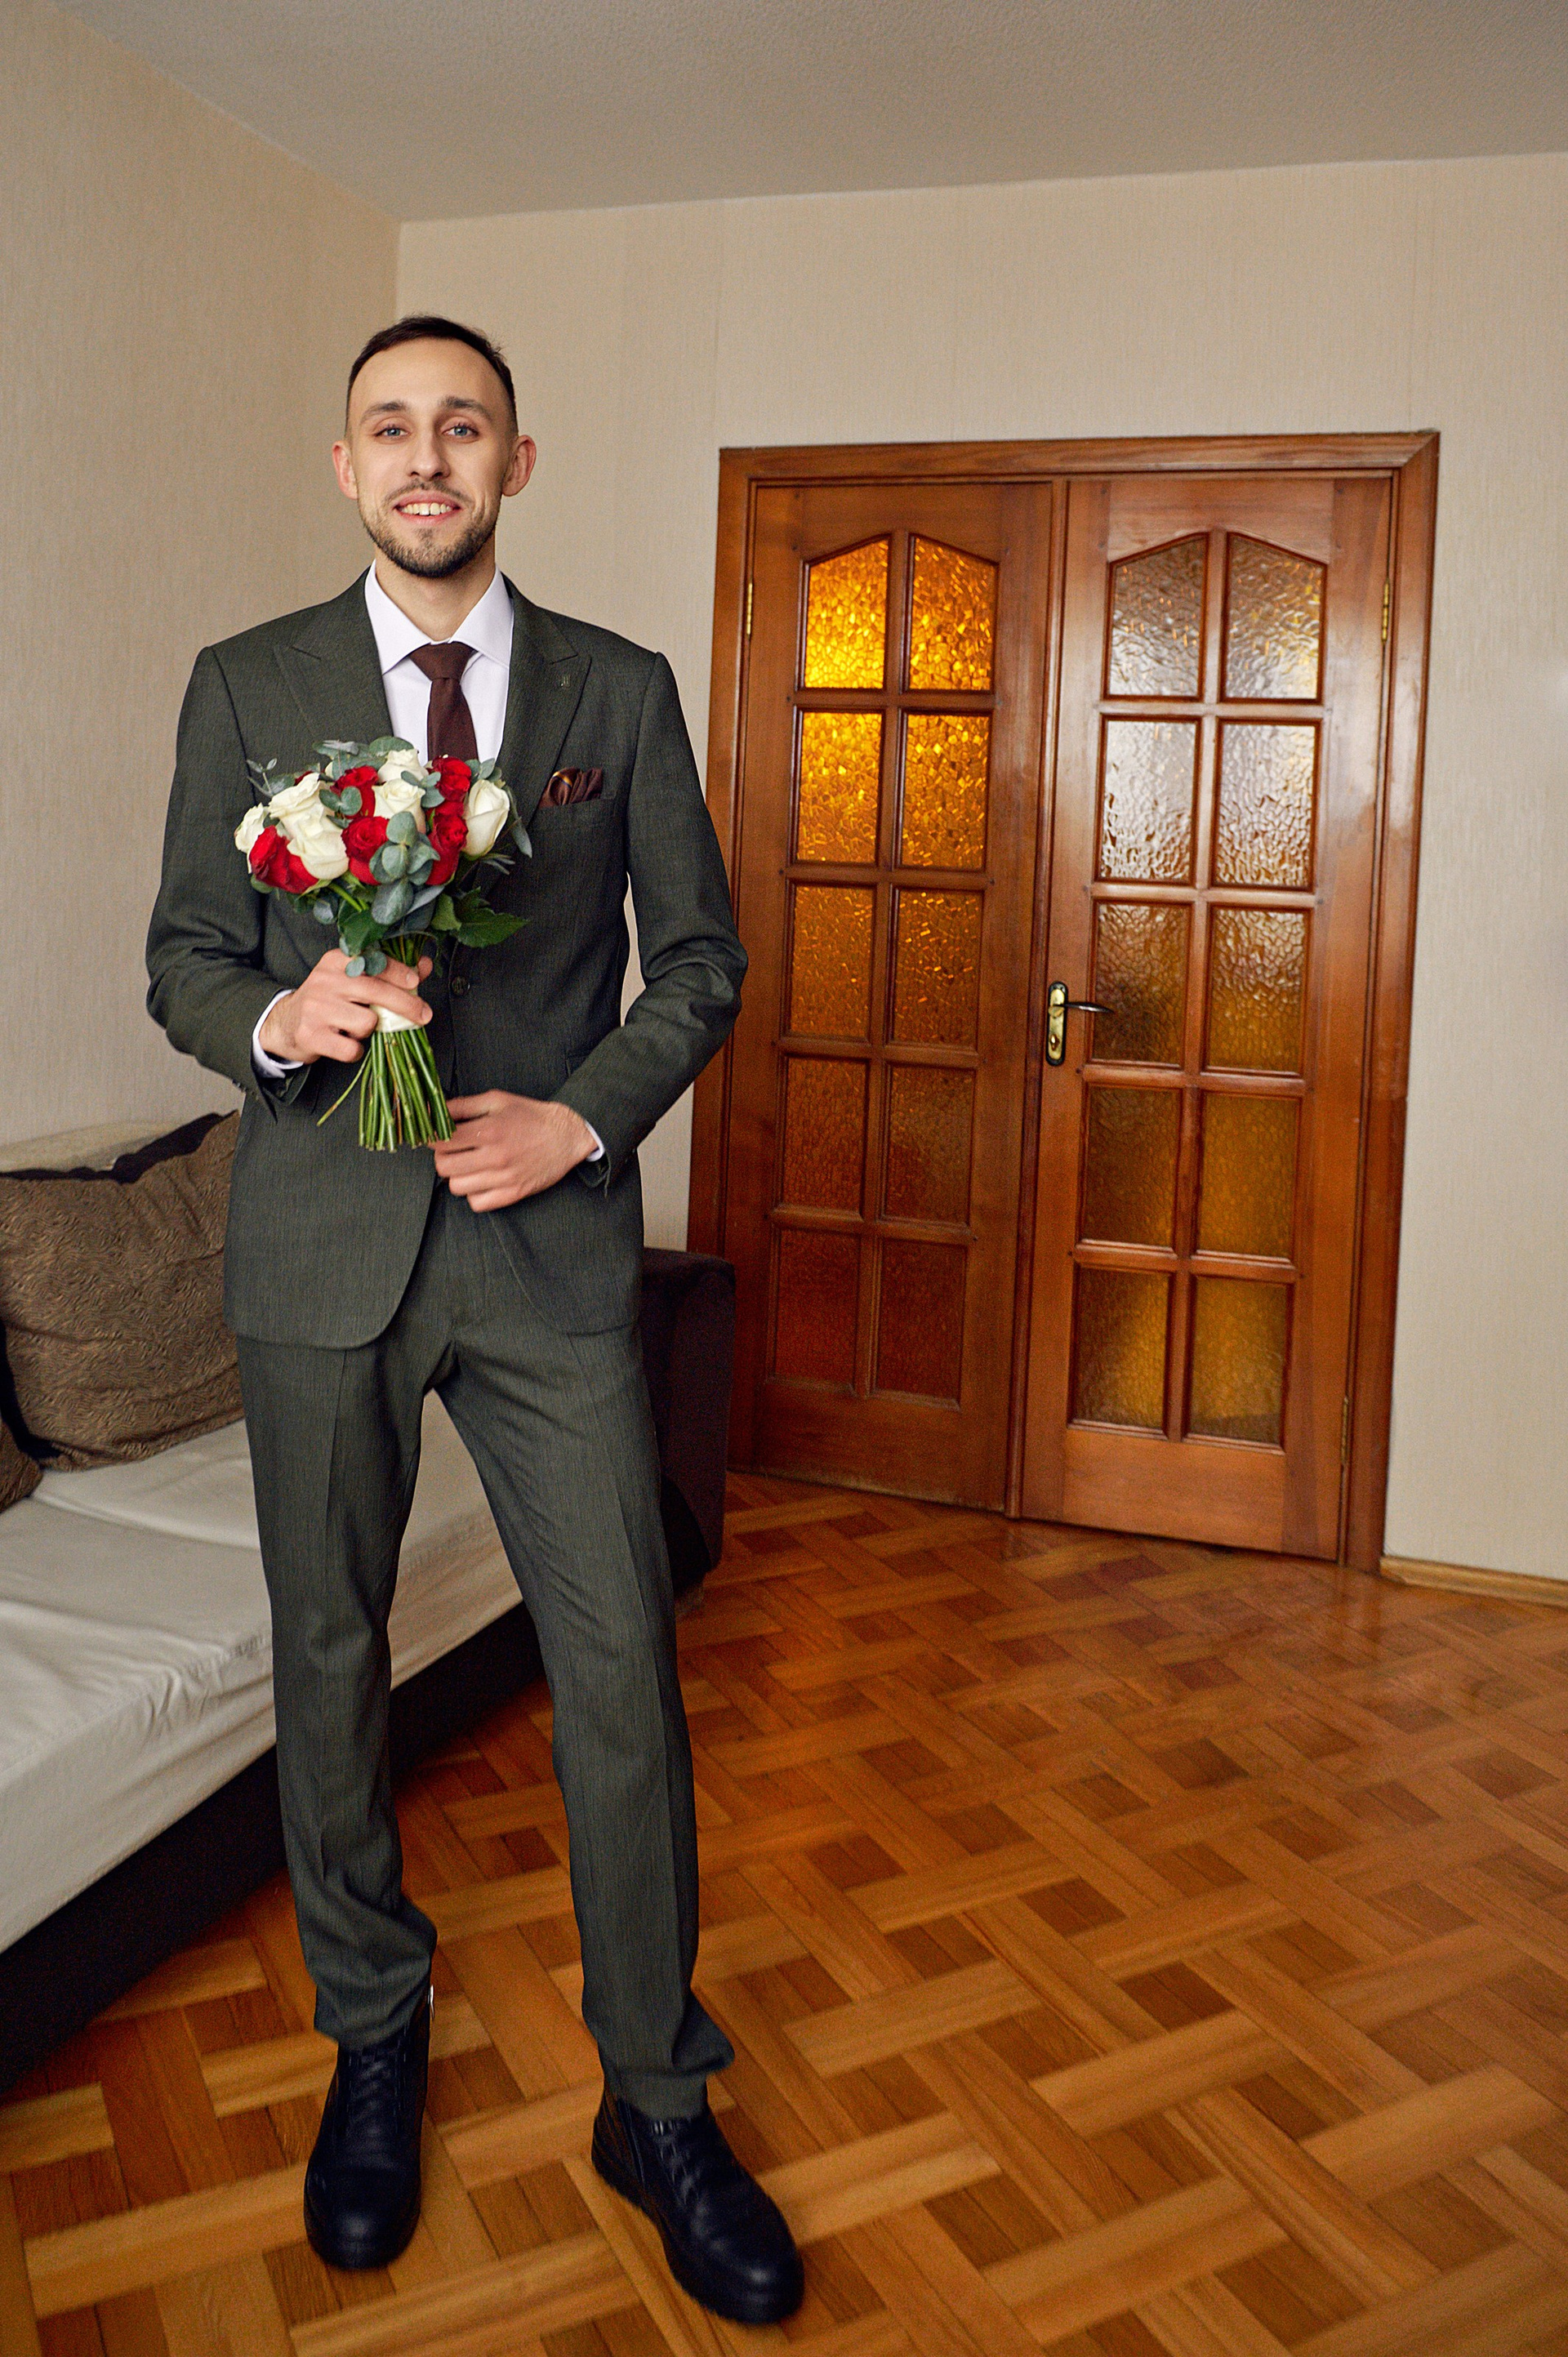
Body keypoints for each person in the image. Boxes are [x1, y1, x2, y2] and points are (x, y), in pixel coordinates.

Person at [146, 315, 802, 2327]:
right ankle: (373, 2032)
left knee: (621, 1665)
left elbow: (702, 959)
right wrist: (285, 1015)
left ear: (518, 460)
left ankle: (657, 2098)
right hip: (320, 1253)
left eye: (463, 426)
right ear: (345, 464)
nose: (425, 457)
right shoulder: (246, 682)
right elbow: (185, 955)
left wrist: (581, 1117)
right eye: (391, 428)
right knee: (330, 1656)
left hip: (546, 1255)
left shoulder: (621, 688)